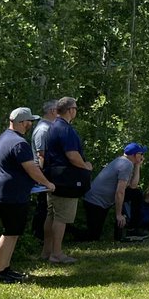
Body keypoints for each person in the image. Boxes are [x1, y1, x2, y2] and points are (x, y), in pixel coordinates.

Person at [0, 107, 56, 283]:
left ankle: (4, 269)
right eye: (29, 121)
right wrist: (47, 183)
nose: (30, 125)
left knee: (13, 232)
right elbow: (31, 168)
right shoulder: (19, 143)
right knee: (10, 232)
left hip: (5, 194)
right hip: (10, 196)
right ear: (21, 122)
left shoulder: (5, 137)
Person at [43, 97, 92, 265]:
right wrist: (85, 166)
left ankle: (47, 251)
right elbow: (72, 155)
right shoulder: (65, 129)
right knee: (61, 217)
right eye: (76, 108)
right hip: (66, 180)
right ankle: (56, 254)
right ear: (71, 110)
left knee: (52, 214)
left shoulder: (53, 127)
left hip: (53, 178)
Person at [83, 144, 148, 243]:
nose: (143, 156)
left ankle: (132, 229)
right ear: (135, 154)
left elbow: (133, 186)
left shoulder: (124, 161)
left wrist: (138, 165)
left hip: (105, 199)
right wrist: (118, 215)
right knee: (92, 237)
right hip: (95, 202)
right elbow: (120, 192)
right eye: (141, 154)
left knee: (136, 194)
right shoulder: (126, 164)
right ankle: (65, 229)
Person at [30, 100, 59, 241]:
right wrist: (45, 177)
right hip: (43, 175)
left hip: (47, 174)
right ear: (53, 111)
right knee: (43, 206)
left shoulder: (50, 127)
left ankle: (46, 236)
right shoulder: (43, 130)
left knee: (49, 206)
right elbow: (41, 155)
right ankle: (38, 236)